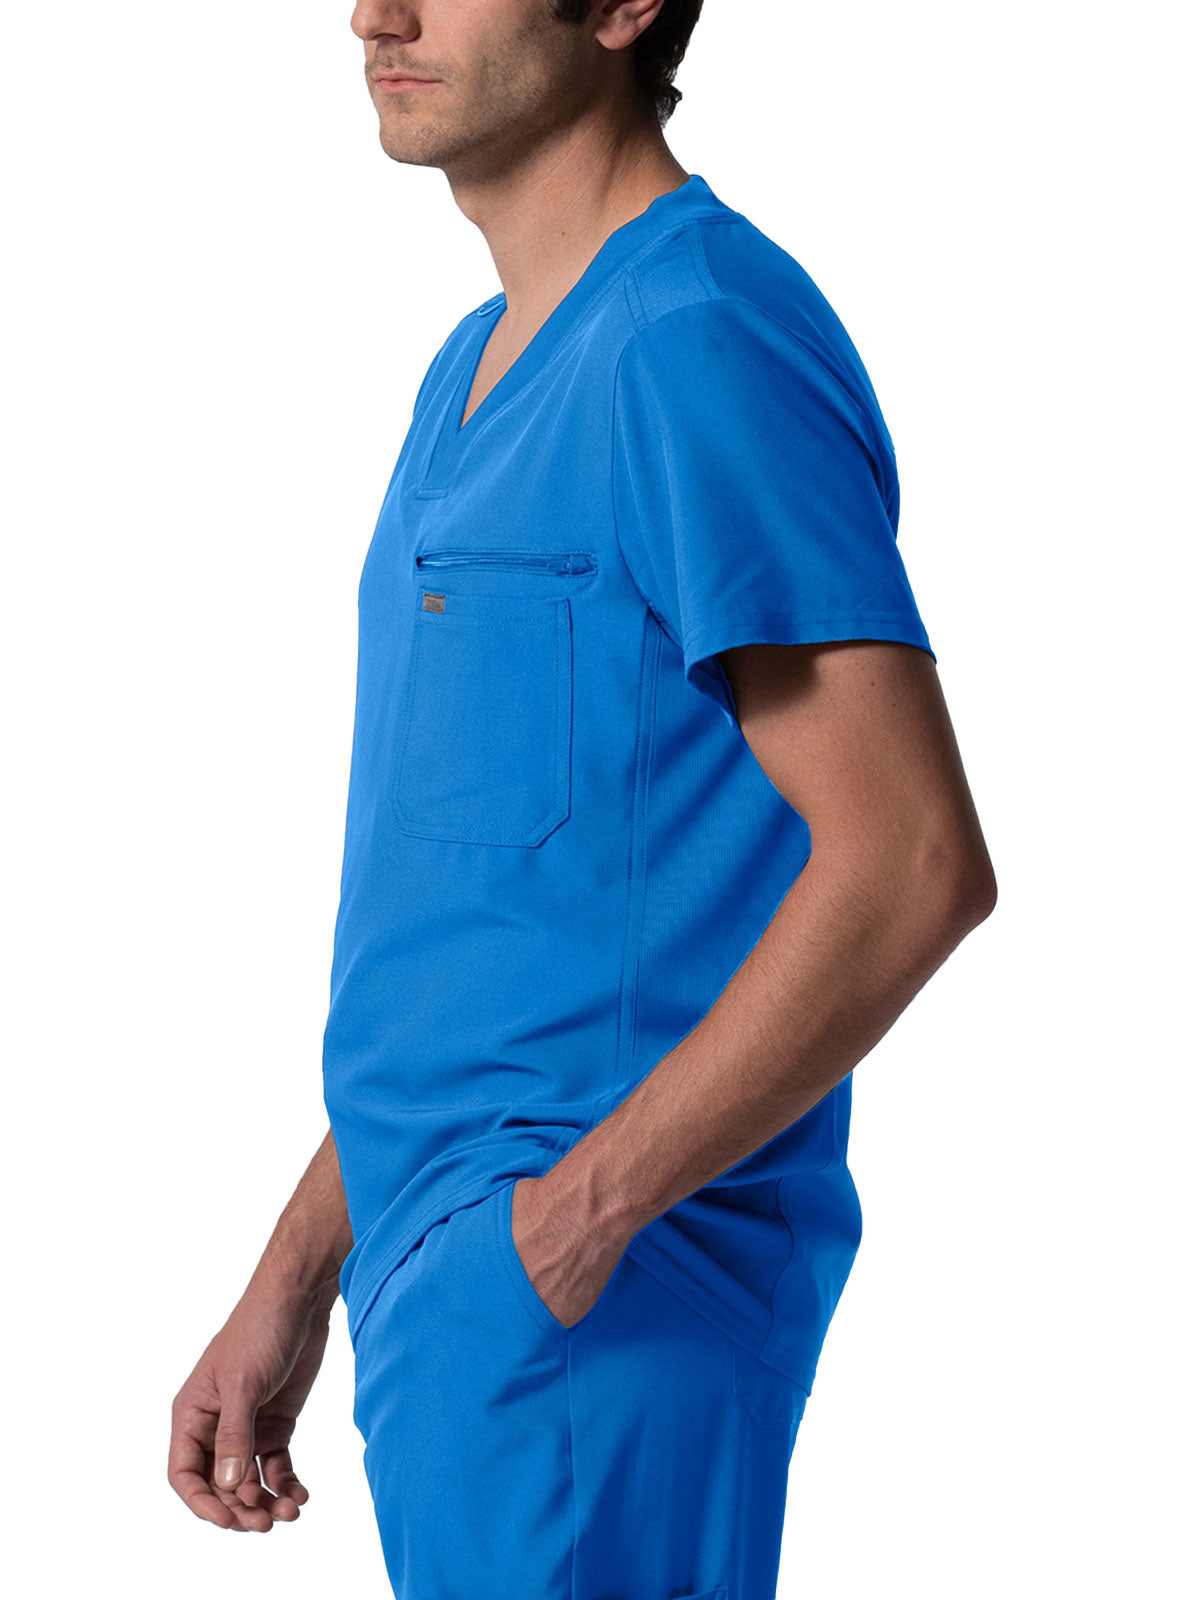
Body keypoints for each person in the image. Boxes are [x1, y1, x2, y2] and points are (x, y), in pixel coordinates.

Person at [168, 2, 998, 1596]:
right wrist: (304, 1266)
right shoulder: (472, 370)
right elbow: (493, 927)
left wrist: (571, 1228)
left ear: (622, 6)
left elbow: (911, 860)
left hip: (595, 1315)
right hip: (462, 1306)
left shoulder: (696, 343)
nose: (376, 13)